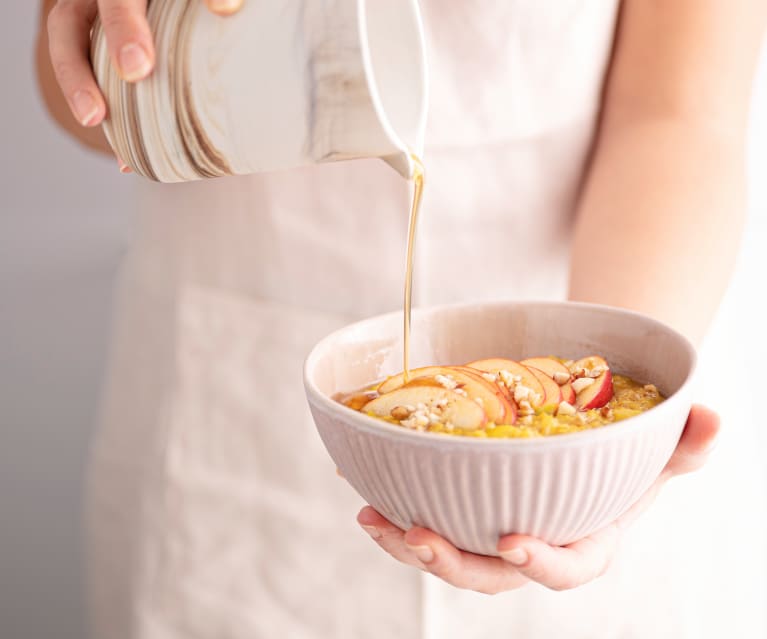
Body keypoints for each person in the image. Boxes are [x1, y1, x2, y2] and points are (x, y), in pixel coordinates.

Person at [36, 0, 767, 637]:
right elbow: (72, 85)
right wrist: (135, 50)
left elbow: (680, 113)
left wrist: (600, 450)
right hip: (233, 409)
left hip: (618, 291)